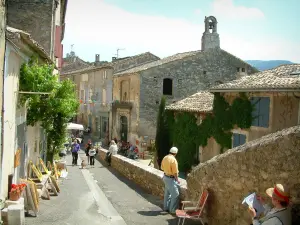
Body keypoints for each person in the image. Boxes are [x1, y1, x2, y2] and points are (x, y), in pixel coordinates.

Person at [161, 147, 180, 214]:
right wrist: (177, 180)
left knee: (167, 194)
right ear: (176, 153)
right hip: (170, 179)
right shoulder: (173, 160)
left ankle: (165, 208)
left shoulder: (165, 157)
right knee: (175, 194)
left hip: (165, 177)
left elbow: (162, 168)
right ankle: (172, 210)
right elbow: (175, 172)